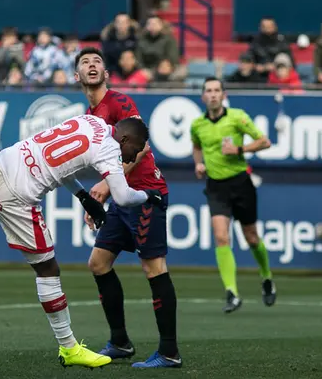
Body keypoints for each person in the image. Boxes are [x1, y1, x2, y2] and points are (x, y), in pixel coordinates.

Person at [0, 113, 166, 368]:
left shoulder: (88, 122)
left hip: (3, 161)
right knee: (48, 270)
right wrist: (149, 195)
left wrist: (82, 195)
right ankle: (69, 348)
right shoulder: (110, 149)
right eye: (135, 149)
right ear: (124, 138)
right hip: (17, 194)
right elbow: (123, 197)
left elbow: (62, 163)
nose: (134, 157)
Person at [77, 47, 181, 369]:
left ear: (106, 73)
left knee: (154, 268)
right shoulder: (89, 115)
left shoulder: (119, 103)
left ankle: (168, 352)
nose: (92, 65)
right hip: (124, 198)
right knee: (98, 262)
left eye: (97, 62)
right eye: (84, 63)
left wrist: (107, 188)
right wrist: (97, 198)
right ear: (77, 76)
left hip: (145, 194)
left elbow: (140, 145)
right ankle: (120, 342)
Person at [190, 77, 275, 313]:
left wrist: (239, 149)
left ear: (223, 95)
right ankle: (232, 292)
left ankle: (266, 276)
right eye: (209, 90)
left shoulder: (237, 117)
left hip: (241, 183)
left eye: (217, 90)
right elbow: (196, 146)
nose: (213, 94)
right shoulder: (197, 124)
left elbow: (264, 141)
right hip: (216, 186)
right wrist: (198, 164)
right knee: (221, 237)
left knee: (251, 238)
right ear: (203, 96)